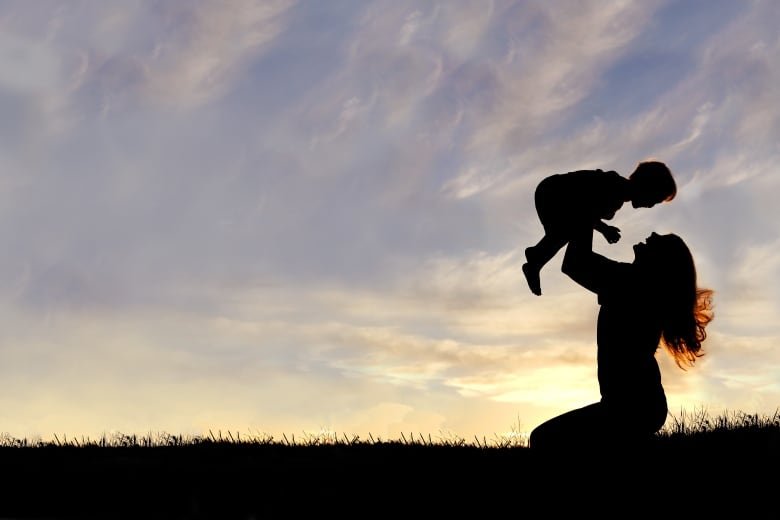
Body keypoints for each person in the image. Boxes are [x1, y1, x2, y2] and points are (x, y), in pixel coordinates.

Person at [528, 228, 713, 453]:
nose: (653, 234)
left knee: (543, 439)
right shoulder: (633, 281)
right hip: (638, 406)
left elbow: (575, 263)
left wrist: (585, 212)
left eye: (660, 241)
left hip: (632, 408)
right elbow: (575, 263)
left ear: (660, 263)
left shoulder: (630, 282)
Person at [522, 161, 677, 296]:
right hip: (553, 194)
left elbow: (587, 211)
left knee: (566, 231)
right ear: (646, 187)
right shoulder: (614, 187)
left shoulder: (617, 194)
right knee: (571, 229)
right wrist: (604, 229)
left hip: (558, 198)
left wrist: (604, 228)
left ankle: (536, 256)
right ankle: (536, 257)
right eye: (654, 201)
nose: (650, 206)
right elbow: (585, 207)